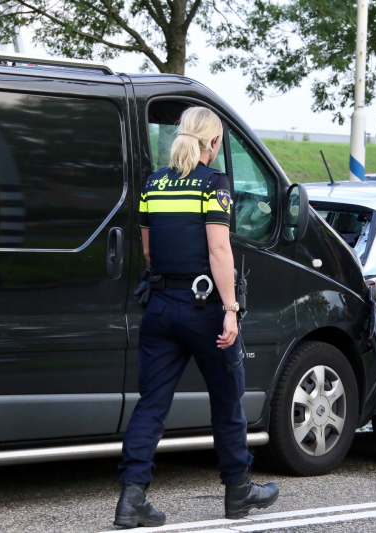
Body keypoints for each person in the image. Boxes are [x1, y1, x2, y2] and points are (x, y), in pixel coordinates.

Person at [114, 107, 278, 528]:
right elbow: (219, 250)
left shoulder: (154, 183)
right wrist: (230, 309)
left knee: (151, 403)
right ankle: (238, 490)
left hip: (161, 306)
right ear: (215, 144)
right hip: (204, 308)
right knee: (227, 398)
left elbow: (149, 253)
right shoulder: (214, 184)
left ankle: (132, 498)